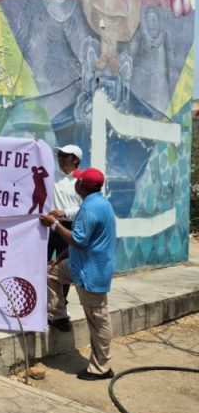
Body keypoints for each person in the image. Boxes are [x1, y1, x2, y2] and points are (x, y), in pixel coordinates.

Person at [39, 168, 117, 381]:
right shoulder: (100, 203)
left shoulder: (90, 209)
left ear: (81, 185)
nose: (74, 182)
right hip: (79, 264)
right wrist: (61, 256)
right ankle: (58, 316)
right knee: (51, 273)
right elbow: (85, 239)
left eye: (77, 180)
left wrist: (54, 224)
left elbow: (79, 240)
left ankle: (101, 368)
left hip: (92, 271)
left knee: (98, 318)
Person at [46, 144, 83, 332]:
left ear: (75, 159)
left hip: (67, 227)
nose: (60, 158)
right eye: (59, 155)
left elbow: (85, 206)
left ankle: (60, 310)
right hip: (47, 226)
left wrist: (65, 212)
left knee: (61, 270)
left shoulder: (82, 181)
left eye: (64, 155)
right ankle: (43, 305)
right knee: (42, 265)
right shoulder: (53, 175)